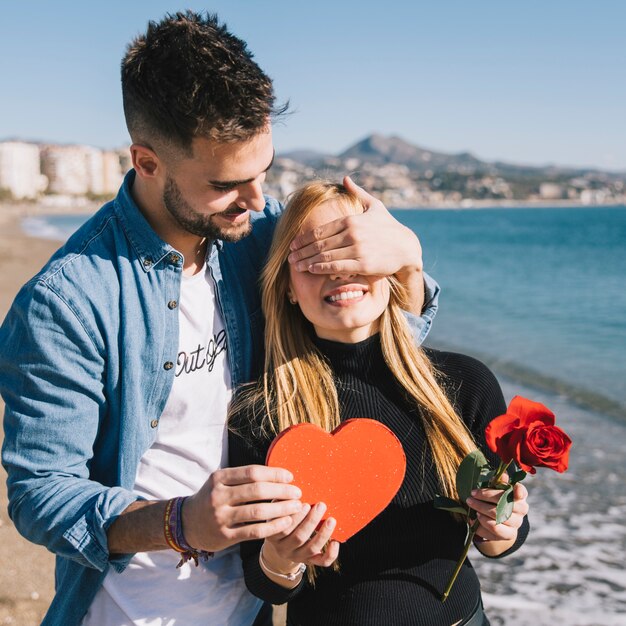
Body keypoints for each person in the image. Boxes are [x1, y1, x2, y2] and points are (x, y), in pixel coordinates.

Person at [0, 12, 440, 626]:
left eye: (264, 172)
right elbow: (39, 494)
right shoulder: (67, 302)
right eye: (228, 183)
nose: (259, 201)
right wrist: (182, 523)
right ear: (147, 162)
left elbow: (369, 356)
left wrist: (409, 264)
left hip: (256, 607)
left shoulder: (260, 236)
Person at [228, 182, 531, 626]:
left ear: (389, 268)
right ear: (287, 287)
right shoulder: (263, 411)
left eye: (354, 253)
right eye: (313, 259)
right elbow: (264, 581)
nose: (338, 272)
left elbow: (500, 540)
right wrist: (281, 556)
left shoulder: (465, 384)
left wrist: (503, 525)